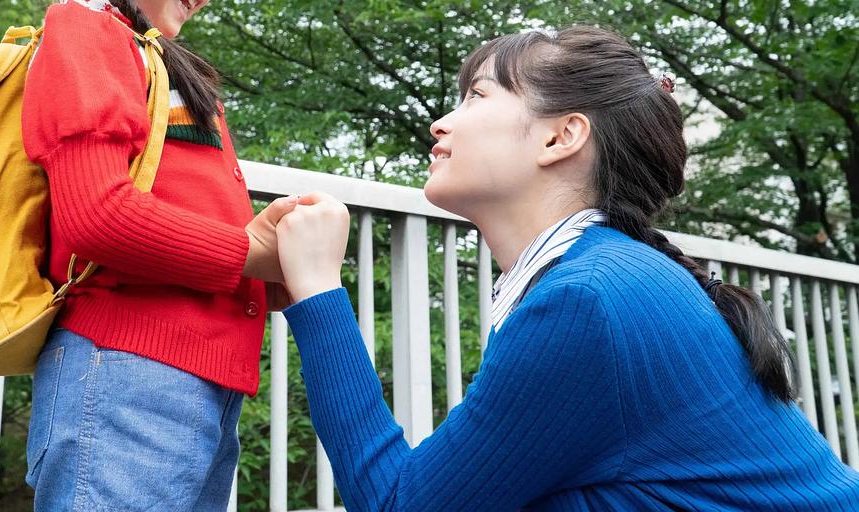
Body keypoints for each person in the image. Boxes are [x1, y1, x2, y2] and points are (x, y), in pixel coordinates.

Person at [274, 25, 859, 511]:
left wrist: (318, 288)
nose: (441, 123)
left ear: (561, 137)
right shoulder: (604, 276)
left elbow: (399, 504)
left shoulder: (588, 300)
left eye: (476, 95)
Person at [21, 0, 296, 511]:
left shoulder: (145, 52)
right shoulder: (85, 32)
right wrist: (249, 252)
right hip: (125, 377)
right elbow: (98, 216)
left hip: (186, 382)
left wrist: (270, 260)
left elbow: (172, 207)